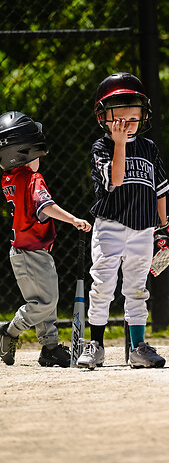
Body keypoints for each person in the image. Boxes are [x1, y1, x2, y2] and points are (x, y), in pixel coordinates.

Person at [77, 72, 169, 369]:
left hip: (143, 227)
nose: (127, 126)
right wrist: (119, 143)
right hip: (111, 225)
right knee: (103, 283)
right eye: (120, 121)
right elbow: (115, 179)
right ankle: (96, 345)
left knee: (136, 287)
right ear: (103, 117)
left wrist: (164, 227)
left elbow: (160, 189)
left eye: (133, 119)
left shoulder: (149, 148)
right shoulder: (102, 148)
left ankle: (137, 347)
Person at [0, 111, 91, 367]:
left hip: (25, 251)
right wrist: (73, 219)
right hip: (32, 252)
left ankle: (49, 347)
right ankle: (9, 331)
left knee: (45, 298)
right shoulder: (32, 178)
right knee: (46, 301)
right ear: (25, 152)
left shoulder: (9, 178)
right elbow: (45, 207)